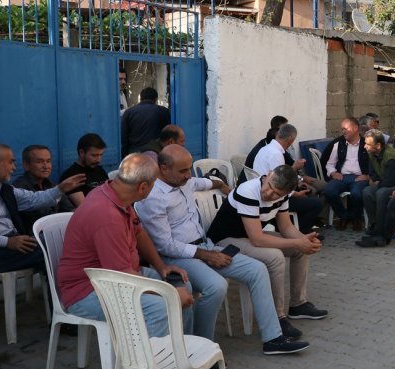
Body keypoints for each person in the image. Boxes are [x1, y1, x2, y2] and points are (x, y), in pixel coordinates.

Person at [57, 153, 198, 369]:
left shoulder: (118, 195)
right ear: (143, 187)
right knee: (161, 308)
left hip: (118, 277)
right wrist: (168, 295)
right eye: (154, 184)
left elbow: (139, 232)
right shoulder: (105, 215)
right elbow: (122, 281)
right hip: (87, 292)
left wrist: (162, 266)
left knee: (181, 283)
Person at [136, 145, 310, 351]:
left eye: (189, 169)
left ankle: (273, 338)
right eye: (183, 170)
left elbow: (206, 181)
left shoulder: (184, 181)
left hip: (205, 245)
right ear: (163, 169)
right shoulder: (154, 198)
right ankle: (200, 347)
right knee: (216, 286)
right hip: (179, 257)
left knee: (257, 270)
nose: (188, 175)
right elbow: (165, 245)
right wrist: (205, 255)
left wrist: (224, 186)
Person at [207, 165, 328, 326]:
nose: (269, 193)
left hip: (248, 236)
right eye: (269, 186)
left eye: (277, 193)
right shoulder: (248, 191)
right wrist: (298, 242)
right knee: (275, 257)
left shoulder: (282, 195)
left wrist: (304, 240)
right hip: (224, 240)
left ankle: (298, 304)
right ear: (269, 175)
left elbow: (286, 227)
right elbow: (257, 239)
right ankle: (276, 317)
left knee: (301, 249)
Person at [0, 143, 85, 281]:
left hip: (15, 246)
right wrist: (7, 242)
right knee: (52, 247)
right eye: (11, 162)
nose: (14, 168)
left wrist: (60, 188)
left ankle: (60, 299)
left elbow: (34, 199)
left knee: (59, 247)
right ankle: (67, 299)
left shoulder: (5, 190)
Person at [252, 124, 323, 234]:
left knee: (308, 193)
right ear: (290, 141)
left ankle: (295, 226)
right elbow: (280, 184)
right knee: (316, 203)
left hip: (265, 192)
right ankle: (300, 231)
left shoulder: (265, 149)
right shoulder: (276, 154)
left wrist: (298, 183)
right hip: (272, 197)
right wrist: (296, 193)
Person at [11, 145, 76, 232]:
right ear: (26, 165)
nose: (46, 166)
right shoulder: (19, 188)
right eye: (39, 162)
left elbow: (70, 210)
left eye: (48, 161)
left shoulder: (52, 184)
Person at [324, 118, 369, 231]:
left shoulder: (367, 144)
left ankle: (357, 218)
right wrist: (333, 173)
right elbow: (329, 164)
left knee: (356, 194)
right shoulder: (338, 144)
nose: (343, 131)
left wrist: (368, 176)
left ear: (355, 128)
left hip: (360, 177)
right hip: (342, 177)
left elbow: (375, 164)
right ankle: (344, 216)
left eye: (345, 129)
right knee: (329, 191)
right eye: (342, 129)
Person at [360, 129, 395, 238]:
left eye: (368, 144)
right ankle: (374, 224)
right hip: (383, 182)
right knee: (366, 192)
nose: (365, 147)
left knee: (381, 193)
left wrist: (377, 184)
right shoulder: (372, 152)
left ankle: (382, 228)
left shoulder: (391, 157)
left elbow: (392, 180)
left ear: (378, 145)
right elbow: (372, 171)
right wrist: (375, 180)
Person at [59, 133, 109, 207]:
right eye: (94, 155)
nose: (99, 160)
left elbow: (111, 194)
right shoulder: (71, 175)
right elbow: (84, 207)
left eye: (101, 155)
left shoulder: (99, 170)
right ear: (81, 152)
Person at [121, 87, 171, 157]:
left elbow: (124, 136)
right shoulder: (164, 111)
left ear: (140, 98)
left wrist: (124, 153)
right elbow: (168, 133)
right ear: (156, 99)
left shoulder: (129, 112)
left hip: (134, 153)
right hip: (155, 152)